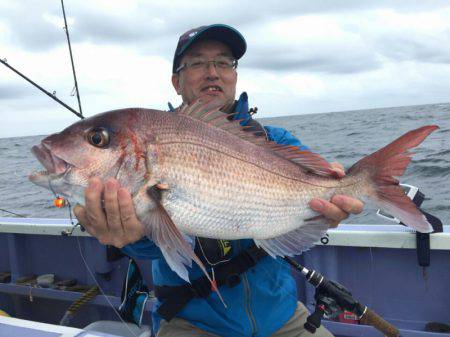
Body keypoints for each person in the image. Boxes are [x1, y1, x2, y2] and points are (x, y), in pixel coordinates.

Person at [74, 24, 364, 337]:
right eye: (197, 63)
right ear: (176, 81)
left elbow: (321, 192)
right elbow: (162, 249)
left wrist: (334, 202)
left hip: (284, 317)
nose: (213, 72)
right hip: (193, 323)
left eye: (224, 62)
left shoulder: (277, 141)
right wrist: (133, 235)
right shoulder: (153, 141)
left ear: (234, 75)